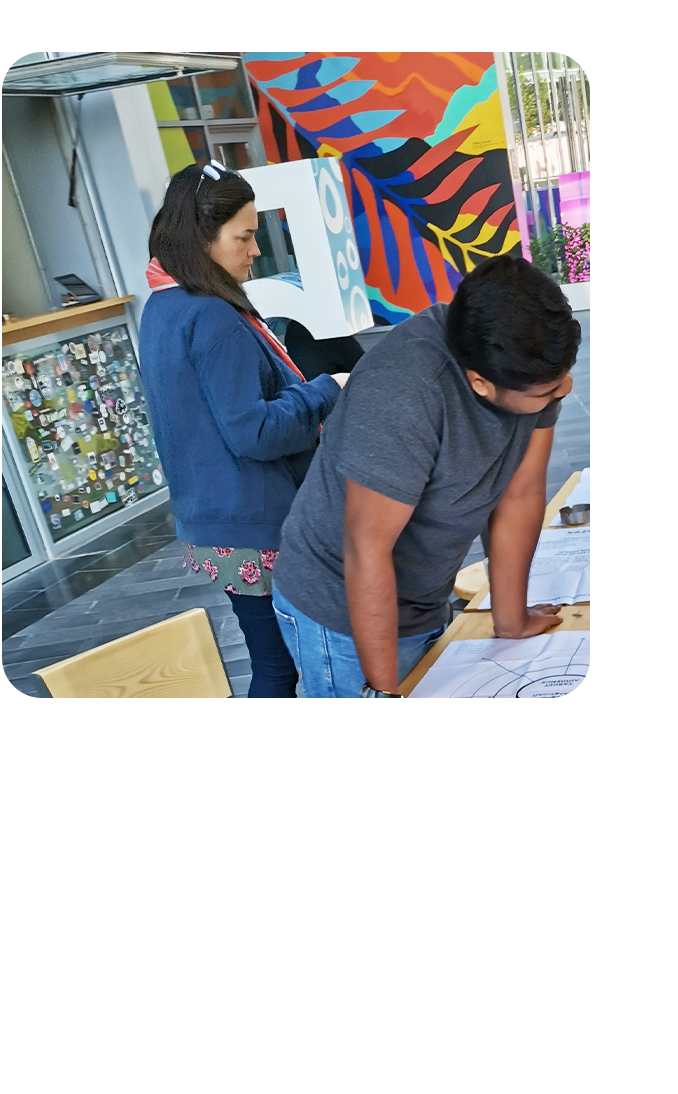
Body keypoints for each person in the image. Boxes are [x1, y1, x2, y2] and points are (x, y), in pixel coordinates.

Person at [270, 254, 581, 697]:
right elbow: (367, 550)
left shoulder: (526, 359)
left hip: (421, 598)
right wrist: (383, 694)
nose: (564, 389)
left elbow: (520, 493)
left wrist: (511, 620)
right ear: (479, 383)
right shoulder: (404, 391)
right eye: (549, 390)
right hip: (340, 609)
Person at [138, 160, 348, 697]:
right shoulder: (212, 315)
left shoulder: (163, 306)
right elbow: (253, 432)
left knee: (274, 664)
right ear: (203, 236)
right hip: (253, 527)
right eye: (245, 236)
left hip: (216, 521)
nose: (255, 251)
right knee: (284, 668)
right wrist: (326, 389)